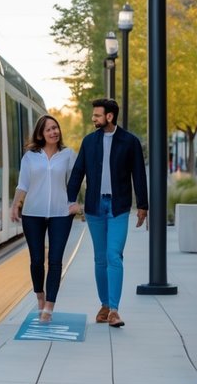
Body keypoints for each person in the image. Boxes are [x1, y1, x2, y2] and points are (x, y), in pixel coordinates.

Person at [67, 98, 149, 328]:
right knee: (100, 258)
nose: (93, 118)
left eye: (97, 115)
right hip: (94, 208)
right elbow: (78, 172)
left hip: (118, 207)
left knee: (114, 255)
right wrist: (68, 202)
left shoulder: (130, 142)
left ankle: (114, 310)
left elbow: (139, 175)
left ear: (109, 117)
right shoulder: (89, 141)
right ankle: (104, 305)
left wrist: (143, 205)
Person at [10, 115, 76, 324]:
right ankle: (40, 296)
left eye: (55, 128)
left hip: (61, 214)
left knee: (55, 261)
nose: (53, 132)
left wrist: (77, 203)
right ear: (40, 134)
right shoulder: (30, 156)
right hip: (33, 214)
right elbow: (23, 184)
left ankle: (49, 307)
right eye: (48, 129)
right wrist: (15, 206)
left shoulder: (68, 155)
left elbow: (77, 181)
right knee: (37, 260)